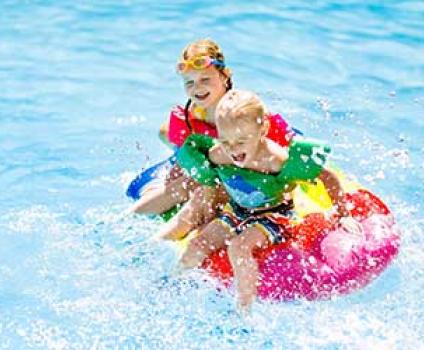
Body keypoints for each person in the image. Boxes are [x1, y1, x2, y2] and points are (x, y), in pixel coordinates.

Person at [169, 90, 356, 310]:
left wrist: (343, 214)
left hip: (274, 215)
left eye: (241, 141)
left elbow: (326, 176)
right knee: (198, 243)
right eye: (225, 141)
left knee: (239, 248)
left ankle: (244, 309)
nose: (233, 149)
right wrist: (206, 204)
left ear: (263, 130)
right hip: (236, 210)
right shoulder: (219, 154)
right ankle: (173, 284)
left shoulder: (275, 159)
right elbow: (208, 176)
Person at [127, 39, 295, 228]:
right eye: (189, 82)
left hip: (243, 178)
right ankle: (127, 219)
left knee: (198, 185)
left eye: (205, 79)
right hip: (210, 173)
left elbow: (292, 150)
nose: (196, 88)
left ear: (225, 76)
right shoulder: (190, 118)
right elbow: (187, 157)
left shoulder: (246, 114)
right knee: (186, 182)